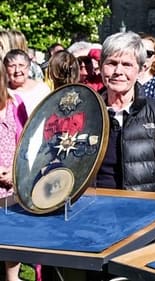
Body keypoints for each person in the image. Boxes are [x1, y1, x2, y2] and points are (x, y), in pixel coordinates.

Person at [94, 31, 155, 192]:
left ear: (140, 70)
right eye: (112, 63)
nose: (118, 71)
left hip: (143, 210)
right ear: (101, 67)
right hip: (94, 209)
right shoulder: (86, 113)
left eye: (127, 64)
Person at [0, 62, 28, 281]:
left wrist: (13, 170)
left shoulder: (14, 103)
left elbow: (26, 142)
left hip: (10, 184)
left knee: (11, 246)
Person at [3, 49, 51, 115]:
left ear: (28, 67)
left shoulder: (42, 90)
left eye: (21, 65)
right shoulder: (3, 93)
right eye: (12, 66)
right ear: (6, 69)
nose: (17, 70)